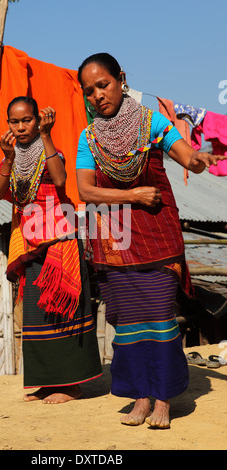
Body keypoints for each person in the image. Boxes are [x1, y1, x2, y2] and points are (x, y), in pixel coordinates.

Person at [76, 53, 226, 427]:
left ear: (121, 79)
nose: (97, 95)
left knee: (160, 316)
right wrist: (134, 196)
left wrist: (199, 159)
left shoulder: (152, 123)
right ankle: (139, 398)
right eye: (89, 90)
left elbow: (185, 155)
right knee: (126, 321)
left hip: (158, 235)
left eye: (103, 85)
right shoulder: (88, 137)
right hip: (114, 240)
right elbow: (85, 190)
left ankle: (162, 400)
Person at [0, 96, 102, 404]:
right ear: (8, 125)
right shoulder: (11, 157)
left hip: (59, 238)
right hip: (30, 242)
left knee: (62, 308)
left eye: (27, 119)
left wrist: (47, 136)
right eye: (15, 121)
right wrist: (9, 158)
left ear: (37, 120)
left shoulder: (51, 149)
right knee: (35, 314)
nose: (21, 126)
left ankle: (71, 385)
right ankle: (45, 381)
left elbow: (60, 178)